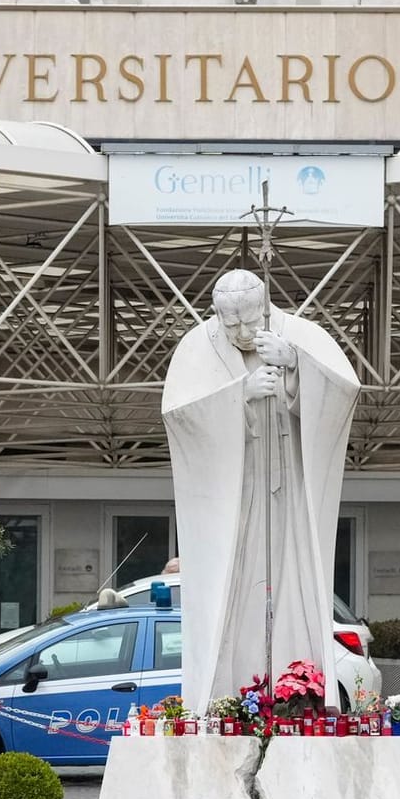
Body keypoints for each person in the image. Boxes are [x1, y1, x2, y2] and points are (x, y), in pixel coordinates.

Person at [161, 268, 360, 713]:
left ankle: (296, 695)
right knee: (232, 588)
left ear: (266, 307)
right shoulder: (196, 346)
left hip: (289, 487)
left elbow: (345, 392)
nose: (242, 332)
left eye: (250, 321)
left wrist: (296, 366)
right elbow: (178, 416)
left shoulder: (301, 335)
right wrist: (240, 395)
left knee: (295, 578)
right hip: (233, 494)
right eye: (230, 324)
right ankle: (226, 702)